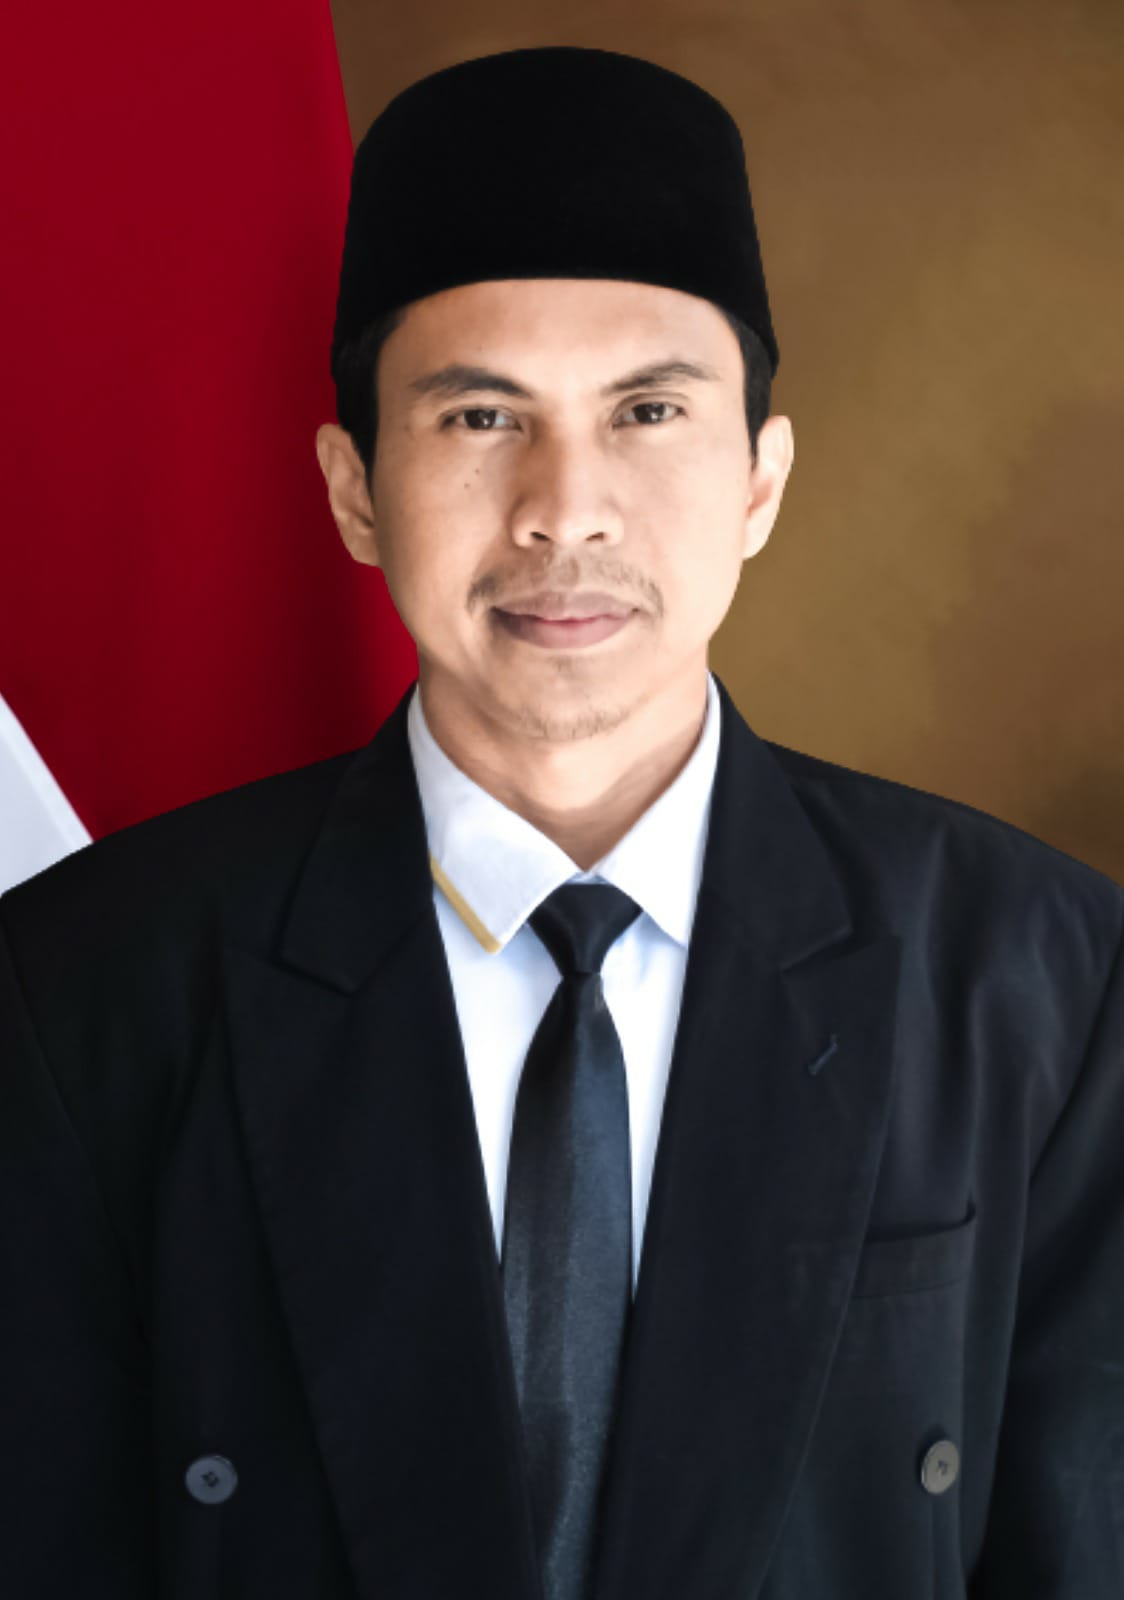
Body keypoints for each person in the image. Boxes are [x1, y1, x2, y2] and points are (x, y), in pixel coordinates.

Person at [1, 43, 1122, 1600]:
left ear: (761, 481)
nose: (564, 507)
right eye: (479, 417)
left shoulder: (1046, 978)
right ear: (352, 488)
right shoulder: (80, 985)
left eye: (649, 410)